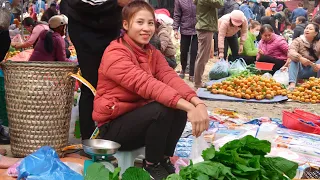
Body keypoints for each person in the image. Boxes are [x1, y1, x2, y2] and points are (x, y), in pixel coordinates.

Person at [93, 1, 209, 179]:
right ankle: (152, 164)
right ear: (126, 25)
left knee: (176, 106)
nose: (146, 28)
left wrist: (197, 102)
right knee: (162, 108)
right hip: (113, 129)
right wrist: (189, 108)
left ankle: (163, 158)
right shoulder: (115, 53)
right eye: (140, 22)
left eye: (150, 23)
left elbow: (169, 77)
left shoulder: (151, 52)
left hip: (137, 121)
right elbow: (147, 84)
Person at [66, 0, 130, 140]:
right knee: (91, 84)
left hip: (110, 26)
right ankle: (89, 140)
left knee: (115, 83)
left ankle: (112, 133)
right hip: (85, 29)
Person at [194, 0, 223, 89]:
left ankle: (198, 81)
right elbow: (220, 4)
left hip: (205, 27)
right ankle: (198, 83)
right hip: (205, 27)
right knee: (203, 57)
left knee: (202, 56)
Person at [287, 23, 320, 90]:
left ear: (316, 33)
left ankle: (318, 84)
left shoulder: (318, 42)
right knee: (294, 60)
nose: (307, 30)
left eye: (310, 29)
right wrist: (300, 58)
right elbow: (291, 52)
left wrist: (318, 65)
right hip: (300, 69)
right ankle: (292, 84)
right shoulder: (297, 41)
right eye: (306, 28)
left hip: (313, 69)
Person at [173, 0, 198, 81]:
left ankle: (192, 73)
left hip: (197, 29)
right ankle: (183, 69)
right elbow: (177, 15)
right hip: (184, 28)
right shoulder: (179, 1)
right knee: (184, 51)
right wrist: (176, 29)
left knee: (194, 52)